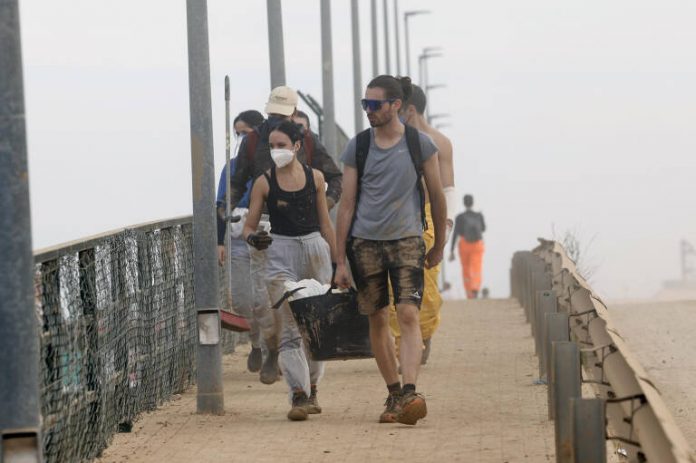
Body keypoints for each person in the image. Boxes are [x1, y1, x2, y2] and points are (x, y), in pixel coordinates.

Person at [334, 75, 447, 426]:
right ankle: (395, 391)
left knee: (409, 315)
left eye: (374, 104)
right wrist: (340, 260)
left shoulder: (420, 145)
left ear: (396, 105)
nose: (368, 111)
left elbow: (437, 196)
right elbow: (347, 204)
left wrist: (439, 243)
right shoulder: (359, 146)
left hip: (408, 242)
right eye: (364, 104)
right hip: (365, 244)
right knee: (378, 318)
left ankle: (410, 388)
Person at [221, 86, 342, 385]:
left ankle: (303, 374)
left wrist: (320, 206)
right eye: (272, 113)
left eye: (282, 114)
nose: (276, 118)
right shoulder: (251, 143)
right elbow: (235, 185)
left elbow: (335, 178)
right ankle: (271, 346)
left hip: (306, 232)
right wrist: (223, 216)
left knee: (308, 301)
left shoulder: (306, 142)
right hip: (263, 228)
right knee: (263, 301)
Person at [243, 120, 337, 421]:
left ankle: (312, 386)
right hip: (279, 251)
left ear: (297, 146)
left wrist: (340, 263)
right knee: (288, 322)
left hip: (314, 250)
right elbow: (249, 225)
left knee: (315, 323)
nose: (276, 151)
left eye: (281, 145)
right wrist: (252, 237)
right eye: (271, 146)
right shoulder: (264, 182)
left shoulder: (316, 179)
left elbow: (326, 224)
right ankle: (297, 393)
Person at [389, 84, 456, 365]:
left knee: (425, 282)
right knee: (394, 285)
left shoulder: (439, 143)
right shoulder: (390, 141)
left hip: (428, 218)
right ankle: (402, 344)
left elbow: (447, 188)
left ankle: (423, 333)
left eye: (397, 109)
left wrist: (446, 224)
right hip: (395, 218)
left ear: (410, 110)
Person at [216, 110, 266, 373]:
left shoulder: (269, 166)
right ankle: (257, 343)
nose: (241, 139)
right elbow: (221, 204)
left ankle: (273, 348)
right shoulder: (231, 167)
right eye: (238, 134)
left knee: (267, 296)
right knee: (244, 299)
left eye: (245, 133)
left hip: (266, 239)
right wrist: (218, 241)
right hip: (237, 239)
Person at [449, 194, 486, 299]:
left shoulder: (460, 217)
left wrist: (452, 250)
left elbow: (456, 233)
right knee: (477, 267)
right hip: (478, 245)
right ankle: (475, 288)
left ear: (464, 203)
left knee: (466, 268)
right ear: (472, 202)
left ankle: (469, 292)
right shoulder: (479, 216)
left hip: (464, 244)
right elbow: (483, 228)